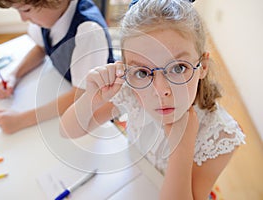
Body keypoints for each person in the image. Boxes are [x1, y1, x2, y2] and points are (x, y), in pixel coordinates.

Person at [60, 0, 245, 199]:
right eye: (142, 71)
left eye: (178, 68)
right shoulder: (131, 90)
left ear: (203, 66)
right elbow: (68, 131)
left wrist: (181, 147)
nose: (160, 91)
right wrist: (91, 98)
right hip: (133, 182)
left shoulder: (220, 135)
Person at [0, 0, 114, 134]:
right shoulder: (49, 17)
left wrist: (21, 120)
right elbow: (40, 48)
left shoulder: (89, 32)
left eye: (26, 10)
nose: (23, 19)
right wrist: (14, 76)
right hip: (64, 87)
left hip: (96, 107)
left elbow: (81, 94)